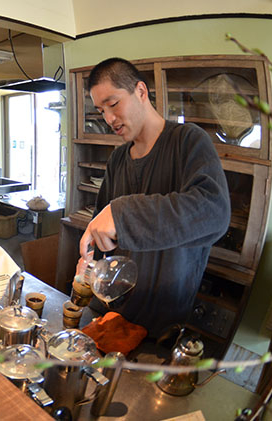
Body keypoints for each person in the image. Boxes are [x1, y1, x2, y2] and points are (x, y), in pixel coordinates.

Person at [76, 57, 231, 338]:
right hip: (113, 311)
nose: (108, 119)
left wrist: (123, 215)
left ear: (140, 91)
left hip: (161, 323)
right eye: (101, 111)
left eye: (113, 104)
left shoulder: (188, 141)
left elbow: (213, 212)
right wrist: (91, 263)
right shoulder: (118, 159)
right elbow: (104, 232)